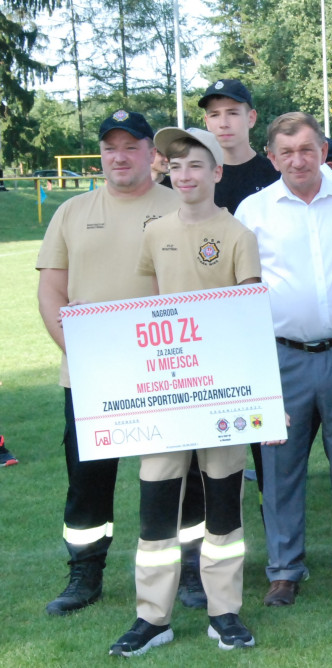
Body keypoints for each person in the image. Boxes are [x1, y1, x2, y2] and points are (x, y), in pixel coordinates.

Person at [108, 127, 262, 656]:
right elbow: (150, 312)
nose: (186, 175)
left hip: (222, 396)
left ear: (217, 172)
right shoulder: (156, 232)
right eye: (176, 167)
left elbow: (247, 320)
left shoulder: (239, 235)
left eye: (196, 165)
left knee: (223, 507)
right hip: (167, 398)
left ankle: (225, 613)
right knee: (156, 507)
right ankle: (153, 617)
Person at [37, 110, 180, 615]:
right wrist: (79, 352)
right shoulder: (72, 212)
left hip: (164, 373)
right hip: (91, 376)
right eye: (109, 147)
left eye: (131, 146)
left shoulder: (180, 204)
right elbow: (52, 289)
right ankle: (84, 575)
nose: (119, 156)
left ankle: (176, 574)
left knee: (169, 477)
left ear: (150, 154)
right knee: (88, 482)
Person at [235, 112, 332, 605]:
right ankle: (284, 570)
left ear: (323, 151)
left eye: (308, 150)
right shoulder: (251, 212)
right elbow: (242, 295)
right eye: (287, 152)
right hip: (281, 358)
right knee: (280, 469)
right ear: (272, 157)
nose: (298, 160)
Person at [200, 79, 280, 215]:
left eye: (232, 113)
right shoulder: (199, 177)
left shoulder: (276, 174)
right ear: (207, 122)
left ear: (251, 118)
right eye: (215, 115)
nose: (223, 123)